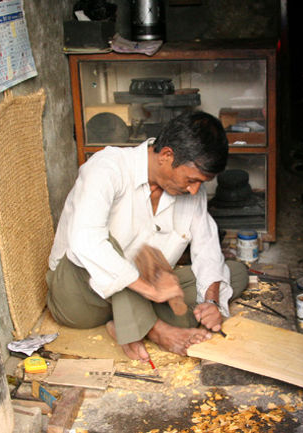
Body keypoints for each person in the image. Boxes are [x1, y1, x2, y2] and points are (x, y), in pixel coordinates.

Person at [46, 110, 248, 363]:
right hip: (80, 295)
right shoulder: (107, 167)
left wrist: (212, 303)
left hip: (136, 294)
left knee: (234, 272)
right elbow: (85, 241)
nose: (195, 190)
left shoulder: (190, 191)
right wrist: (149, 289)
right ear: (166, 156)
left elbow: (207, 247)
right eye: (191, 180)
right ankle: (157, 330)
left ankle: (128, 322)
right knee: (108, 247)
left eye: (201, 183)